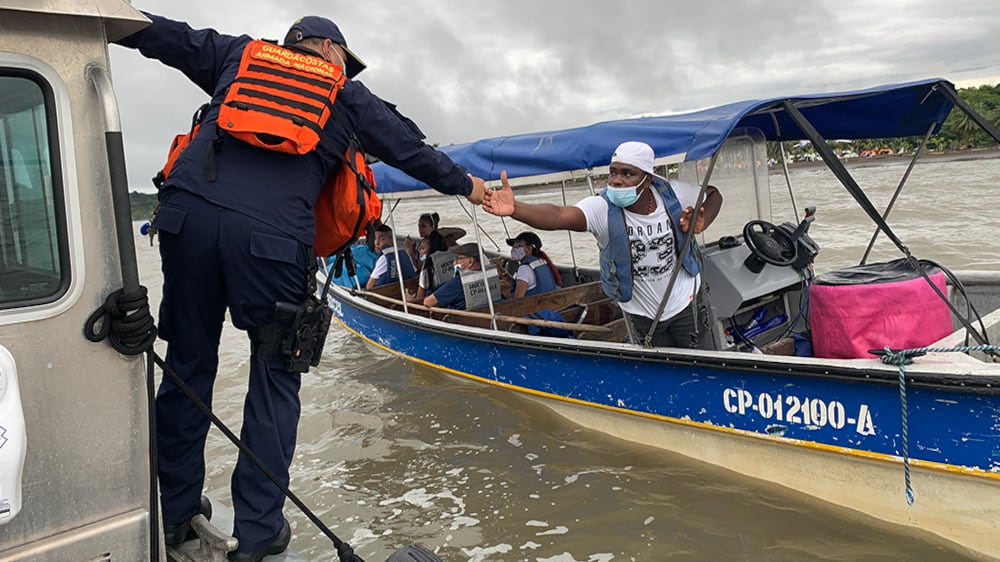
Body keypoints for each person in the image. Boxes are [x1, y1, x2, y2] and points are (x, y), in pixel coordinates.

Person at [114, 13, 487, 561]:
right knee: (274, 377)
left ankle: (174, 513)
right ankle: (259, 533)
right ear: (332, 50)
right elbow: (411, 151)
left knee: (189, 363)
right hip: (271, 241)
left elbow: (161, 37)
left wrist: (116, 14)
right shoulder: (346, 93)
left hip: (184, 222)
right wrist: (471, 187)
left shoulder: (238, 55)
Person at [483, 141, 722, 349]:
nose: (617, 181)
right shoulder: (602, 209)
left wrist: (702, 222)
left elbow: (713, 195)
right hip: (641, 313)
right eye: (613, 172)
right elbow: (558, 215)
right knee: (662, 372)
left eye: (628, 174)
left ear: (647, 179)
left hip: (686, 302)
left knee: (706, 363)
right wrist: (515, 209)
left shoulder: (672, 194)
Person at [423, 242, 500, 310]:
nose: (454, 263)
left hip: (464, 321)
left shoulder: (459, 282)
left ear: (471, 261)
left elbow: (428, 302)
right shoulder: (491, 276)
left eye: (459, 259)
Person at [506, 231, 562, 299]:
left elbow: (517, 301)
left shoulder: (523, 269)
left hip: (532, 308)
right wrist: (510, 279)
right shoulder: (542, 262)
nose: (513, 249)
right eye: (514, 246)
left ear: (529, 249)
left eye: (518, 246)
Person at [366, 224, 416, 289]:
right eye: (375, 239)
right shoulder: (404, 253)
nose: (376, 243)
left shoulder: (384, 259)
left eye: (382, 239)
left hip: (385, 293)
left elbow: (369, 286)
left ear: (392, 240)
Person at [406, 232, 449, 303]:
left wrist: (409, 298)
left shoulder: (427, 268)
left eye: (422, 248)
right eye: (419, 248)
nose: (419, 251)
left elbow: (419, 298)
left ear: (431, 250)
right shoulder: (450, 260)